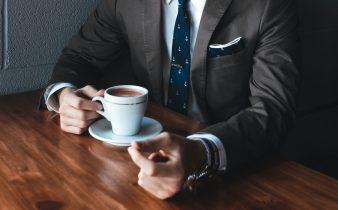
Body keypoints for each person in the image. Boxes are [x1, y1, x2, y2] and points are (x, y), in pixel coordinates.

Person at [41, 0, 300, 199]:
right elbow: (79, 58)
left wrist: (200, 151)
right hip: (136, 163)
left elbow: (274, 108)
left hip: (233, 174)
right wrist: (63, 95)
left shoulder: (268, 5)